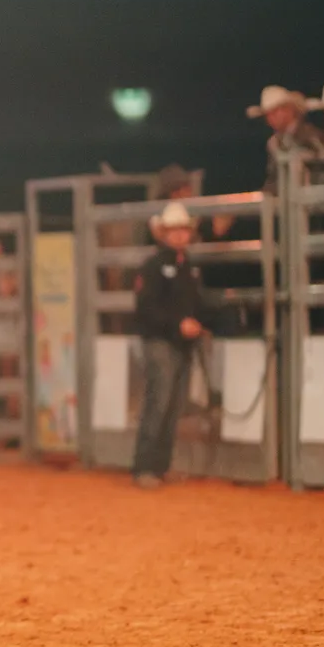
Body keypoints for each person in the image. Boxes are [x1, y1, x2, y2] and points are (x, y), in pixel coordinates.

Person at [131, 203, 213, 490]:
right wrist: (178, 325)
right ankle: (145, 466)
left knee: (172, 404)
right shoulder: (154, 267)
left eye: (183, 229)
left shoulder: (187, 267)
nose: (180, 235)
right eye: (174, 230)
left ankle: (159, 465)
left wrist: (199, 324)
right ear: (164, 233)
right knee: (159, 401)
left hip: (179, 342)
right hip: (160, 341)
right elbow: (146, 308)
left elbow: (194, 303)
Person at [248, 85, 324, 195]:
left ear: (289, 110)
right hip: (289, 202)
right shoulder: (274, 142)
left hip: (314, 201)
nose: (271, 118)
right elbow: (274, 177)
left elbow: (321, 170)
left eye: (275, 112)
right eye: (268, 114)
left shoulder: (310, 135)